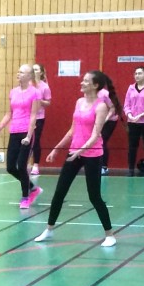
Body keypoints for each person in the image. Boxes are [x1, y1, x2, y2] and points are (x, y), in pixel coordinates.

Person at [34, 70, 121, 249]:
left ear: (95, 85)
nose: (82, 83)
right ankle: (49, 229)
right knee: (59, 192)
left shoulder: (101, 106)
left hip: (92, 154)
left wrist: (80, 151)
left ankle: (110, 235)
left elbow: (96, 135)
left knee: (94, 196)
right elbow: (72, 129)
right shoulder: (79, 102)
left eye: (86, 81)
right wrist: (57, 149)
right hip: (74, 151)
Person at [0, 64, 42, 210]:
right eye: (18, 71)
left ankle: (25, 196)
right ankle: (33, 188)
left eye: (22, 72)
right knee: (11, 167)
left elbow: (33, 116)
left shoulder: (35, 93)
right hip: (14, 132)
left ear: (29, 76)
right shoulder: (13, 92)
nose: (18, 74)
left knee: (21, 165)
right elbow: (9, 113)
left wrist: (29, 136)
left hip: (26, 132)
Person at [29, 63, 52, 177]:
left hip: (38, 117)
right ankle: (24, 163)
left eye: (36, 69)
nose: (34, 71)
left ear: (41, 72)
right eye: (32, 69)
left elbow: (48, 102)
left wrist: (39, 100)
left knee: (36, 140)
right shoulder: (28, 84)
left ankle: (35, 165)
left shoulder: (45, 87)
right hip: (26, 117)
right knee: (25, 140)